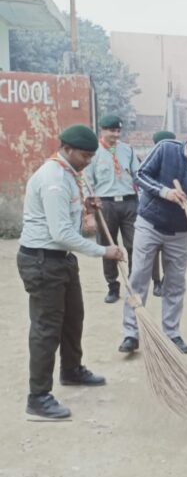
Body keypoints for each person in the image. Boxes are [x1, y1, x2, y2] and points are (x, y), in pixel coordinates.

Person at [17, 124, 123, 419]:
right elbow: (61, 232)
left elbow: (66, 217)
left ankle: (72, 370)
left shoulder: (69, 174)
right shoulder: (53, 179)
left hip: (60, 260)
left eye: (92, 156)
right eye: (85, 156)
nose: (88, 161)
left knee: (73, 318)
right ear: (67, 149)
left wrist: (85, 205)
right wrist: (104, 251)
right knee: (46, 328)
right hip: (42, 261)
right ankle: (38, 397)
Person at [118, 124, 187, 355]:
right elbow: (141, 175)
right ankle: (131, 333)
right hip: (150, 224)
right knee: (139, 276)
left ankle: (171, 333)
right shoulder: (166, 149)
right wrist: (166, 192)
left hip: (180, 232)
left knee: (175, 283)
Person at [84, 115, 139, 303]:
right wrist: (89, 213)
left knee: (134, 245)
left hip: (129, 202)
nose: (115, 135)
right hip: (105, 204)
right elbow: (87, 183)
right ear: (102, 130)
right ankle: (113, 287)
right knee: (107, 246)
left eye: (118, 131)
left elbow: (137, 175)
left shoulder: (127, 150)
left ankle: (134, 284)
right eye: (111, 131)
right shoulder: (93, 153)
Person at [149, 130, 177, 297]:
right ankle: (156, 282)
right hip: (154, 213)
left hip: (173, 214)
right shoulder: (149, 163)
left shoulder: (179, 163)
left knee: (171, 250)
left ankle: (167, 280)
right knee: (154, 250)